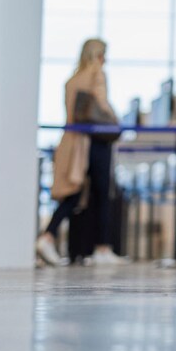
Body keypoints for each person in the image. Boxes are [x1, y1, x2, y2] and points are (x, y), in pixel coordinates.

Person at [36, 38, 121, 266]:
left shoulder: (72, 80)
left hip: (73, 141)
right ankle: (102, 248)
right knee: (103, 193)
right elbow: (102, 105)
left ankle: (48, 235)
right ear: (98, 55)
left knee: (74, 193)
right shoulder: (97, 74)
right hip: (93, 141)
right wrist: (116, 121)